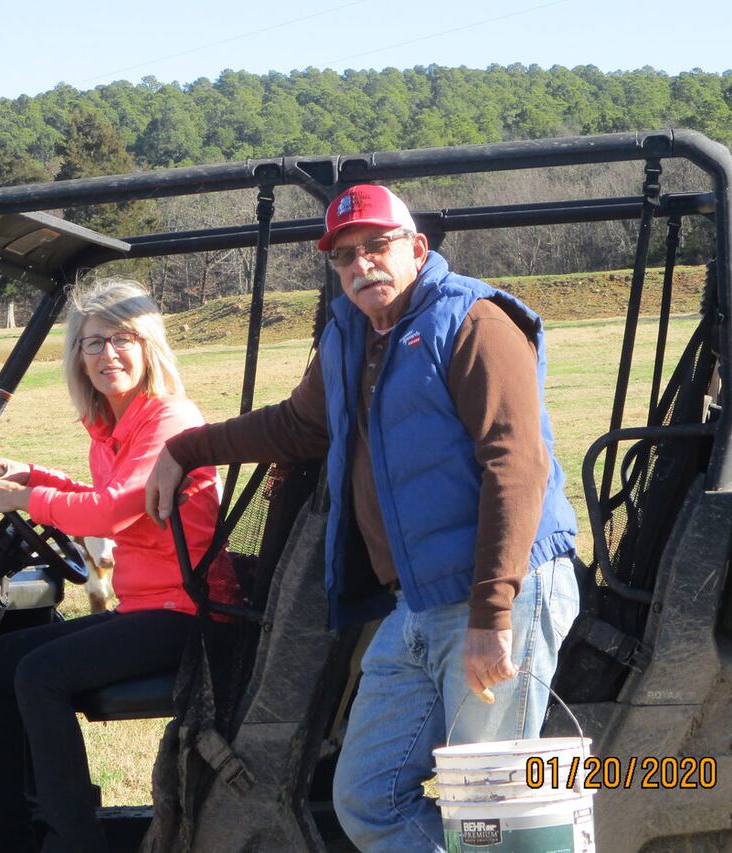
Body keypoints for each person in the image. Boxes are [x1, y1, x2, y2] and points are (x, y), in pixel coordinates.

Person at [145, 184, 580, 851]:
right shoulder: (350, 335)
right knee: (365, 796)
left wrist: (492, 614)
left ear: (416, 247)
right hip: (418, 600)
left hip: (501, 593)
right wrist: (186, 447)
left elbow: (516, 467)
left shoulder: (473, 322)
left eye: (376, 246)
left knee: (495, 804)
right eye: (345, 256)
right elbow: (296, 426)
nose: (360, 266)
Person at [0, 278, 237, 853]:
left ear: (148, 348)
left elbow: (113, 513)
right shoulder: (111, 429)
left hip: (187, 613)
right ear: (77, 358)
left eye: (122, 339)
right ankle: (4, 831)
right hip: (145, 605)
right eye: (93, 343)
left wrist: (24, 500)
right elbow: (110, 496)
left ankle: (74, 840)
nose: (108, 354)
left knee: (39, 677)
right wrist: (38, 476)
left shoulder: (168, 419)